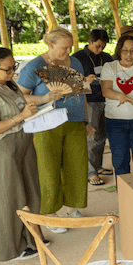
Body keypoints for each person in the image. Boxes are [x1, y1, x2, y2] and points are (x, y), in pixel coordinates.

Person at [0, 48, 47, 260]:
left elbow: (21, 107)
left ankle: (33, 238)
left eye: (14, 67)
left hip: (22, 143)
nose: (13, 72)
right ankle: (13, 247)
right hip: (1, 149)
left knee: (31, 193)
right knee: (8, 199)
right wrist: (20, 117)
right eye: (8, 69)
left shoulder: (9, 84)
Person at [18, 28, 91, 228]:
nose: (68, 51)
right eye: (64, 48)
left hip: (75, 121)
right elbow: (19, 96)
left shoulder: (75, 63)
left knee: (77, 166)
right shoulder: (34, 66)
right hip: (46, 124)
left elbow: (81, 93)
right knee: (48, 169)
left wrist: (86, 121)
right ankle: (50, 214)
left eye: (70, 47)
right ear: (50, 45)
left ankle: (73, 209)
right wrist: (43, 98)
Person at [100, 34, 133, 175]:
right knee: (120, 162)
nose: (129, 55)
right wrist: (120, 96)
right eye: (125, 51)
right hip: (115, 120)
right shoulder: (109, 67)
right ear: (119, 51)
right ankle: (123, 190)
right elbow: (106, 90)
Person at [72, 29, 113, 186]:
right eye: (97, 46)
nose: (100, 49)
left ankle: (98, 166)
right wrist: (84, 80)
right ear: (89, 42)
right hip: (88, 100)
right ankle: (91, 172)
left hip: (106, 99)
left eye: (103, 46)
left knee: (102, 135)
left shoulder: (106, 57)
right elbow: (69, 83)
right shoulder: (77, 58)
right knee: (92, 136)